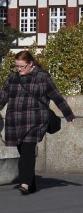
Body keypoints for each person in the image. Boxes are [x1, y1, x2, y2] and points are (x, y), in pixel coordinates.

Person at [0, 51, 76, 195]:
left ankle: (24, 183)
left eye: (22, 66)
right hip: (16, 120)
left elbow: (56, 97)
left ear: (31, 64)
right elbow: (2, 97)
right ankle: (31, 183)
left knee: (28, 149)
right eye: (17, 66)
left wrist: (68, 114)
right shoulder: (12, 78)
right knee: (22, 151)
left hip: (35, 120)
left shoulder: (42, 77)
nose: (19, 69)